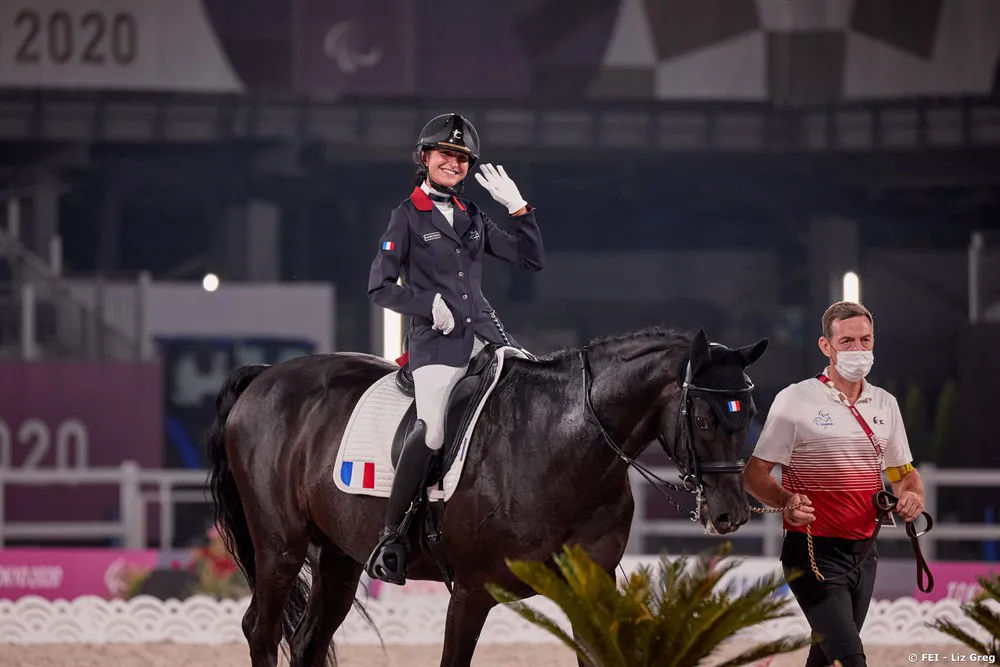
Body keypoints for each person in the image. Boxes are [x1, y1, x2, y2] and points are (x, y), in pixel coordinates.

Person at [363, 112, 545, 585]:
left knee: (535, 407)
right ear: (425, 158)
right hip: (436, 345)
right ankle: (392, 538)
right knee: (434, 431)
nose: (454, 162)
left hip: (488, 337)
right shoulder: (405, 217)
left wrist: (520, 209)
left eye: (462, 157)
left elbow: (530, 260)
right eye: (446, 154)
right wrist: (425, 305)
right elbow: (379, 288)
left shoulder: (473, 217)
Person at [743, 301, 925, 667]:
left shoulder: (885, 403)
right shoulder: (795, 399)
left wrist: (913, 496)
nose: (858, 350)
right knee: (850, 660)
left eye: (865, 340)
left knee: (825, 659)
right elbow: (754, 474)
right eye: (847, 341)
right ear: (826, 346)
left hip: (865, 553)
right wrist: (786, 500)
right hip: (812, 552)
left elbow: (904, 474)